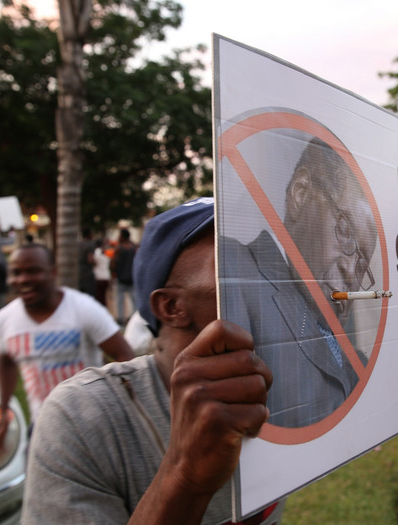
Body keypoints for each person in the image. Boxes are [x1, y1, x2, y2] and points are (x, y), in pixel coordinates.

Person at [22, 199, 284, 524]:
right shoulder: (81, 419)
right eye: (233, 261)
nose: (269, 279)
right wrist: (185, 476)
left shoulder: (274, 387)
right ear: (171, 306)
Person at [219, 137, 377, 428]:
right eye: (346, 234)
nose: (349, 269)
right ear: (301, 193)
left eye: (363, 264)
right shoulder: (234, 266)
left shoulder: (337, 328)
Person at [0, 243, 134, 441]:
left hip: (92, 428)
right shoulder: (5, 320)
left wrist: (121, 407)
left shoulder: (84, 310)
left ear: (53, 272)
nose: (23, 279)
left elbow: (124, 354)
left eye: (33, 271)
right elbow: (6, 363)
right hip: (43, 427)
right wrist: (3, 413)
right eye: (16, 272)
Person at [111, 228, 136, 325]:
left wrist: (113, 274)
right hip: (131, 278)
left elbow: (113, 263)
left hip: (120, 278)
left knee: (119, 300)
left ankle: (120, 320)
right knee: (134, 301)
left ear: (122, 237)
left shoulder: (119, 248)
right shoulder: (133, 248)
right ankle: (133, 319)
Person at [92, 238, 111, 307]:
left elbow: (93, 261)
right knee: (103, 296)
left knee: (99, 296)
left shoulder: (96, 252)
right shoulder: (106, 253)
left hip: (98, 277)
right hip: (106, 276)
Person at [78, 226, 96, 296]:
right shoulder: (90, 244)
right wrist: (96, 263)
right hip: (88, 275)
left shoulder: (78, 244)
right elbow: (90, 259)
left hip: (79, 275)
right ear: (89, 234)